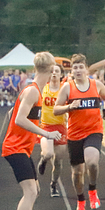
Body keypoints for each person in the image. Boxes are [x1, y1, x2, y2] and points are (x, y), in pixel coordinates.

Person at [1, 52, 61, 210]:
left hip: (22, 147)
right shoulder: (33, 91)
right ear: (51, 70)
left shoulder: (35, 91)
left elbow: (13, 114)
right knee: (30, 192)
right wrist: (45, 133)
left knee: (35, 189)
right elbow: (19, 118)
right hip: (15, 148)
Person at [54, 54, 105, 210]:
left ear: (86, 69)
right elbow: (56, 109)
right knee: (77, 172)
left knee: (92, 162)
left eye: (81, 67)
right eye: (75, 68)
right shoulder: (67, 88)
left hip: (94, 130)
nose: (78, 70)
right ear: (71, 71)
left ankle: (92, 190)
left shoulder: (96, 84)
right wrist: (69, 107)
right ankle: (80, 201)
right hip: (74, 134)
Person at [37, 64, 69, 198]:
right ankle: (43, 159)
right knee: (49, 153)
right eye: (52, 71)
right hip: (46, 126)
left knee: (58, 161)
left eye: (57, 71)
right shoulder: (43, 88)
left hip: (60, 127)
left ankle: (53, 184)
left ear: (61, 74)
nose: (54, 73)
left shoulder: (64, 89)